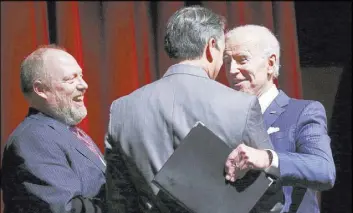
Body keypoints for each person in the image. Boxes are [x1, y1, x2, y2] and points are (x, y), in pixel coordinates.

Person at [105, 6, 280, 213]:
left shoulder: (122, 109)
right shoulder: (241, 105)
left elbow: (118, 199)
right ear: (211, 46)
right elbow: (270, 193)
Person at [223, 24, 336, 213]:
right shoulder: (224, 117)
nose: (232, 70)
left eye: (242, 59)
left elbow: (324, 170)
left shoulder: (303, 112)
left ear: (270, 63)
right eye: (227, 62)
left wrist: (268, 158)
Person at [1, 45, 106, 213]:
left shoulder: (66, 132)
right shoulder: (33, 138)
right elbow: (65, 209)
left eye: (81, 76)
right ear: (41, 90)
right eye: (70, 79)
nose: (84, 85)